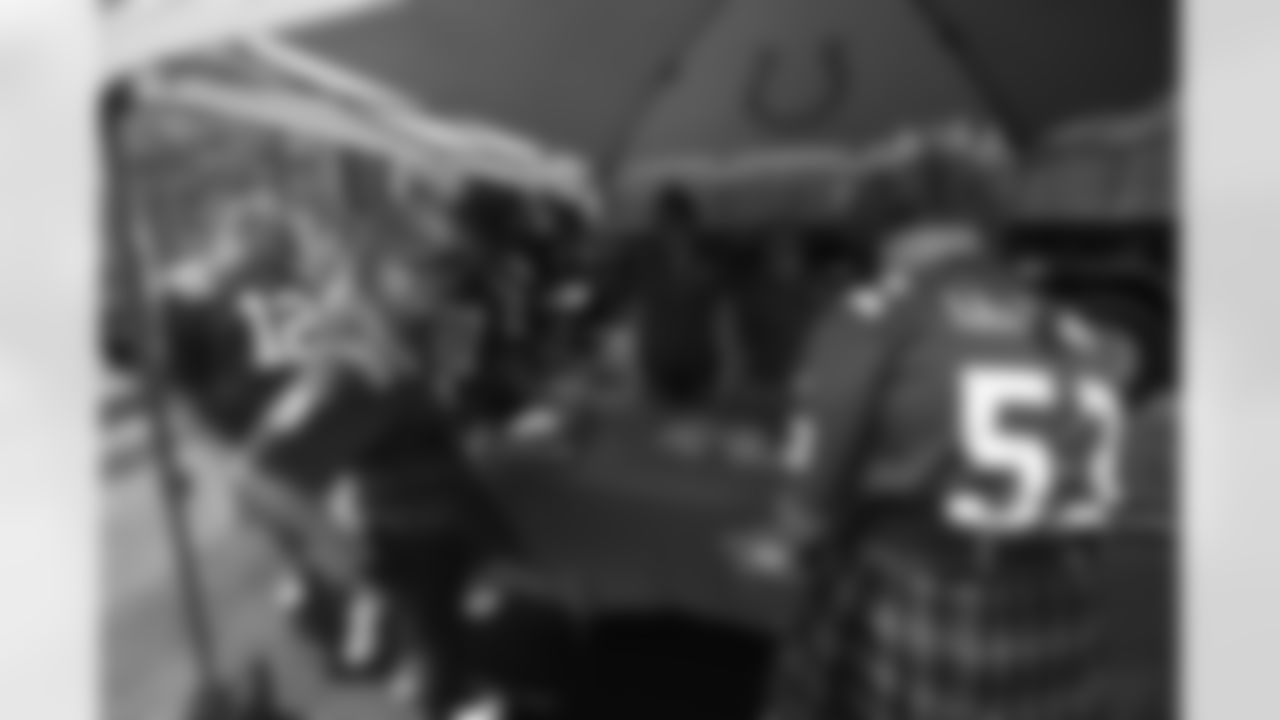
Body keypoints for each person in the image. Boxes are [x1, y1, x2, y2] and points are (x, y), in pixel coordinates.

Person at [729, 129, 1132, 720]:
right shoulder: (1076, 331)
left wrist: (781, 541)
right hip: (1062, 606)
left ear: (881, 225)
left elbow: (808, 506)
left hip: (935, 600)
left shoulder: (877, 314)